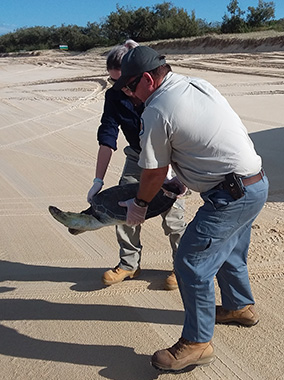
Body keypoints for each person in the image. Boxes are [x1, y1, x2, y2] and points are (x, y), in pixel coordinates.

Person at [114, 46, 269, 372]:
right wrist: (188, 174)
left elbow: (154, 171)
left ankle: (197, 343)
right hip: (255, 182)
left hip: (231, 195)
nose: (129, 95)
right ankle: (239, 306)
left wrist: (139, 205)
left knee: (190, 263)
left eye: (129, 87)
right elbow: (210, 135)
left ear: (146, 79)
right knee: (228, 251)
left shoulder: (156, 110)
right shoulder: (196, 84)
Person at [87, 40, 187, 289]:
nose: (122, 88)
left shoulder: (157, 93)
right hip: (136, 156)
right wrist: (98, 180)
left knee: (174, 217)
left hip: (170, 155)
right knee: (124, 209)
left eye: (125, 82)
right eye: (114, 82)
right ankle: (129, 264)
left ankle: (182, 267)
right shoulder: (114, 97)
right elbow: (108, 136)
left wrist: (174, 169)